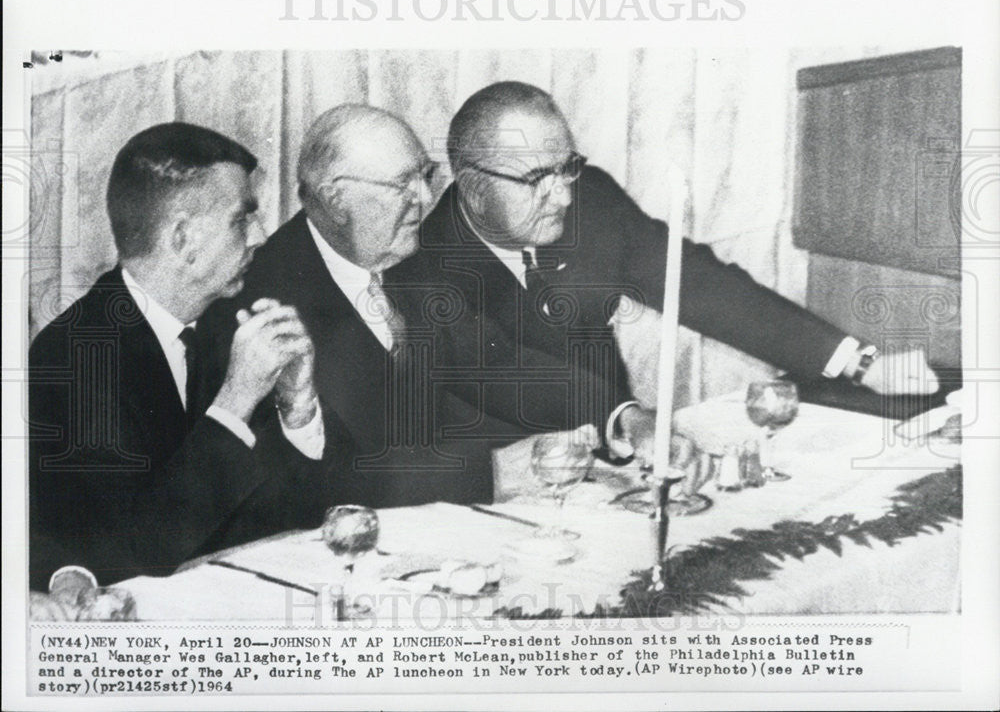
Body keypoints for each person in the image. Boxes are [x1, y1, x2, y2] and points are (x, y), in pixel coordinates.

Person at [386, 81, 941, 471]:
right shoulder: (418, 265)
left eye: (567, 168)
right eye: (537, 178)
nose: (563, 194)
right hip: (503, 489)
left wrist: (859, 361)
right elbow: (506, 370)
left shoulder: (591, 203)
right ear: (471, 184)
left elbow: (698, 284)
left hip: (622, 459)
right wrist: (626, 419)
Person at [28, 122, 327, 591]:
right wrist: (236, 397)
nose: (262, 236)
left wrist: (298, 404)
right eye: (241, 218)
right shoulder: (76, 356)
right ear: (182, 238)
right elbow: (142, 550)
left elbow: (308, 515)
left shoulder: (226, 321)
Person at [199, 104, 509, 507]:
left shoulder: (402, 257)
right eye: (403, 183)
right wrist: (494, 469)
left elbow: (499, 365)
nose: (426, 196)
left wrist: (610, 412)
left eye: (425, 175)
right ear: (334, 200)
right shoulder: (262, 300)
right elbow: (335, 476)